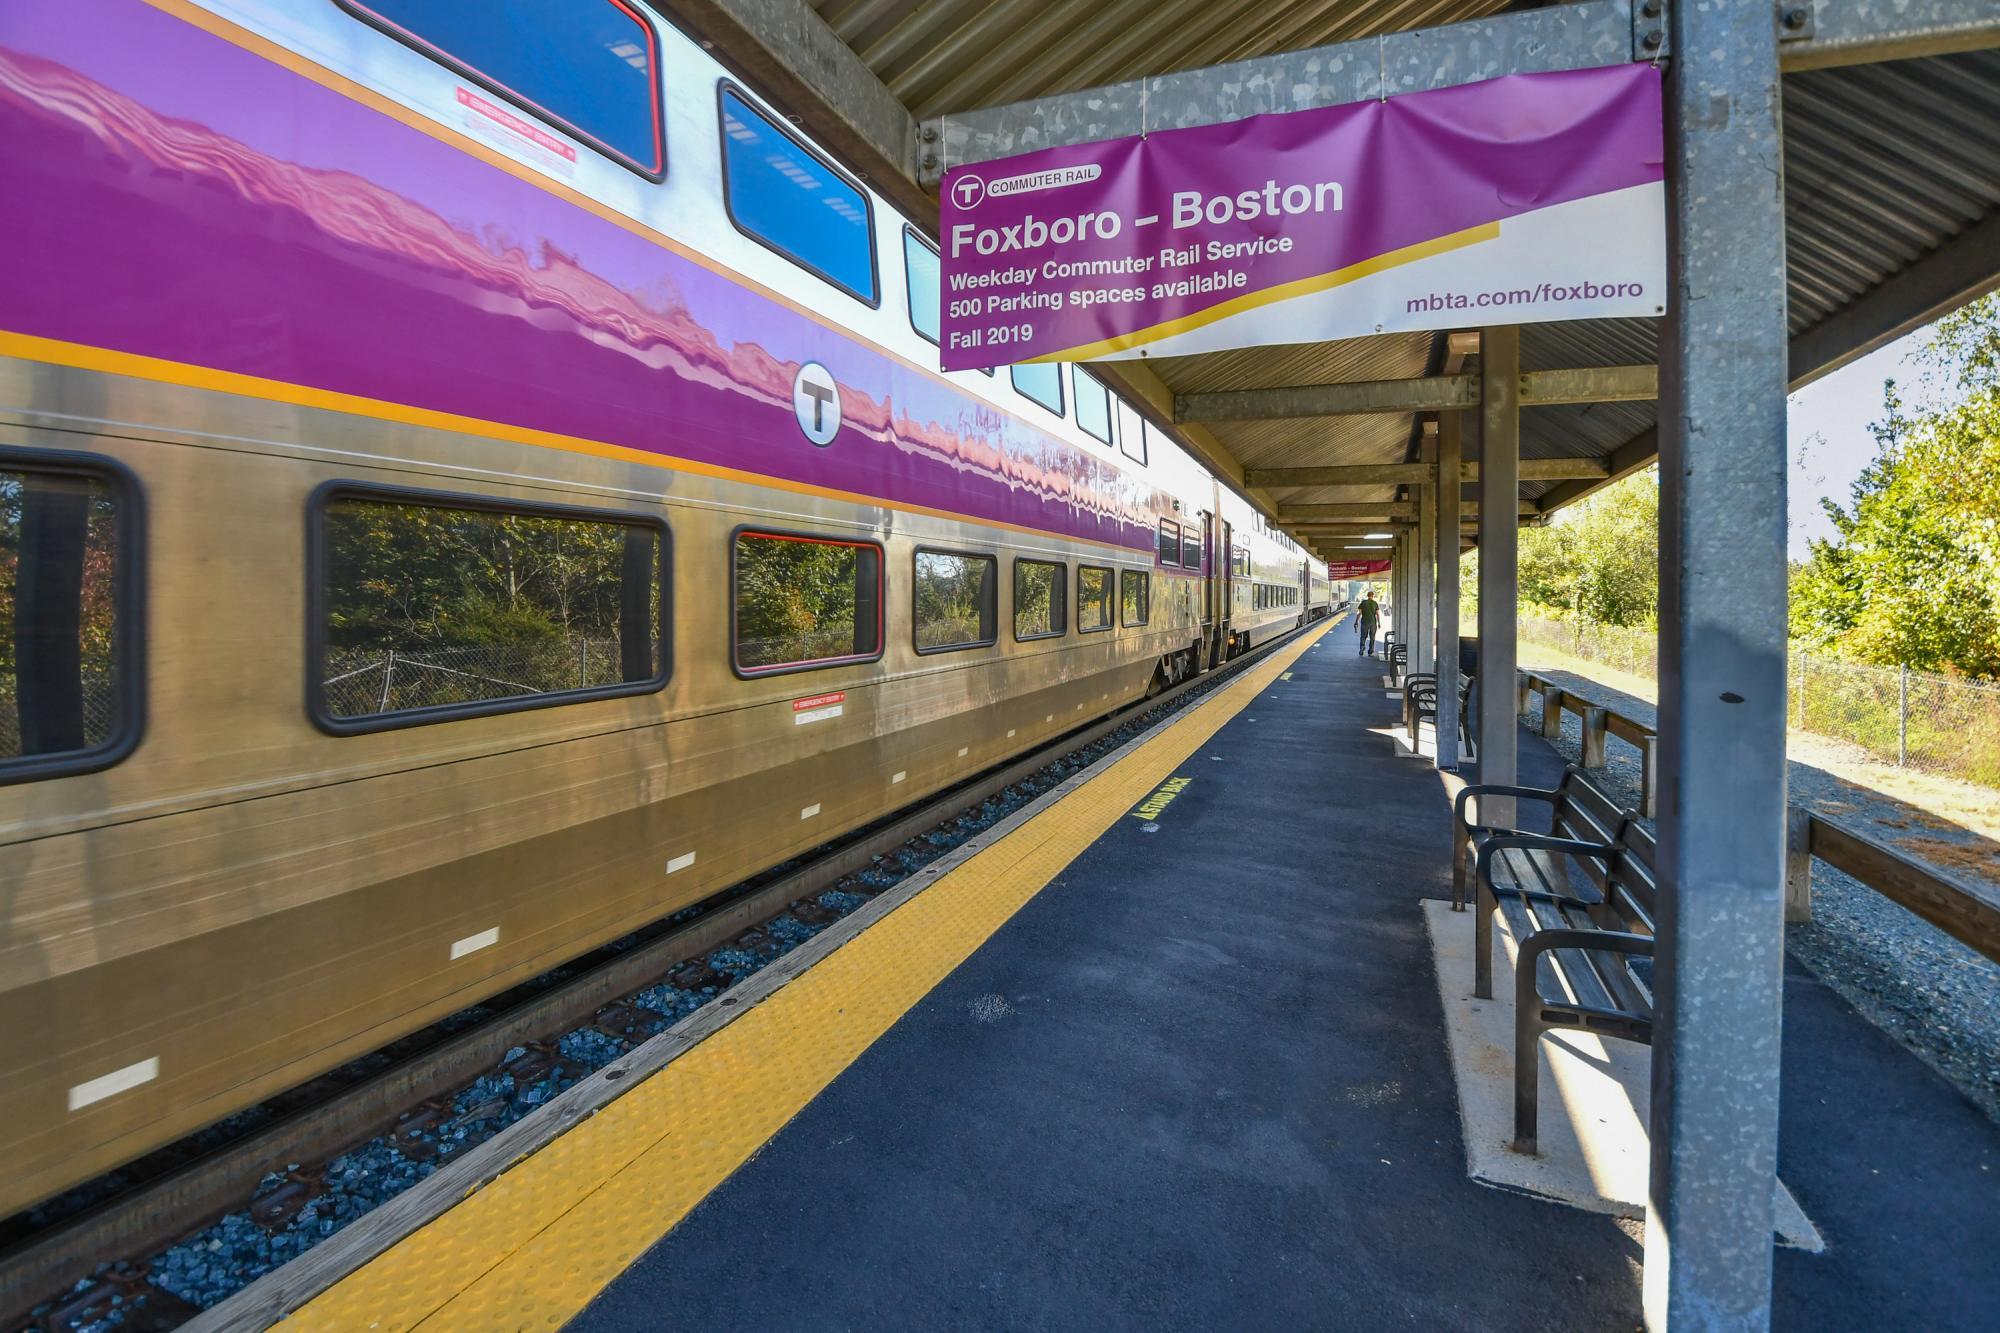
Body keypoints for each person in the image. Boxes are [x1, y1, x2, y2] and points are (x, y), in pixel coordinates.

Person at [1357, 591, 1380, 657]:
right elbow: (1377, 614)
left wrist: (1356, 621)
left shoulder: (1363, 602)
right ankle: (1370, 651)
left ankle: (1362, 647)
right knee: (1372, 637)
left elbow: (1359, 613)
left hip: (1364, 622)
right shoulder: (1375, 603)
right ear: (1373, 596)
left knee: (1363, 636)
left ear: (1367, 595)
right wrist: (1379, 623)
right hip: (1373, 623)